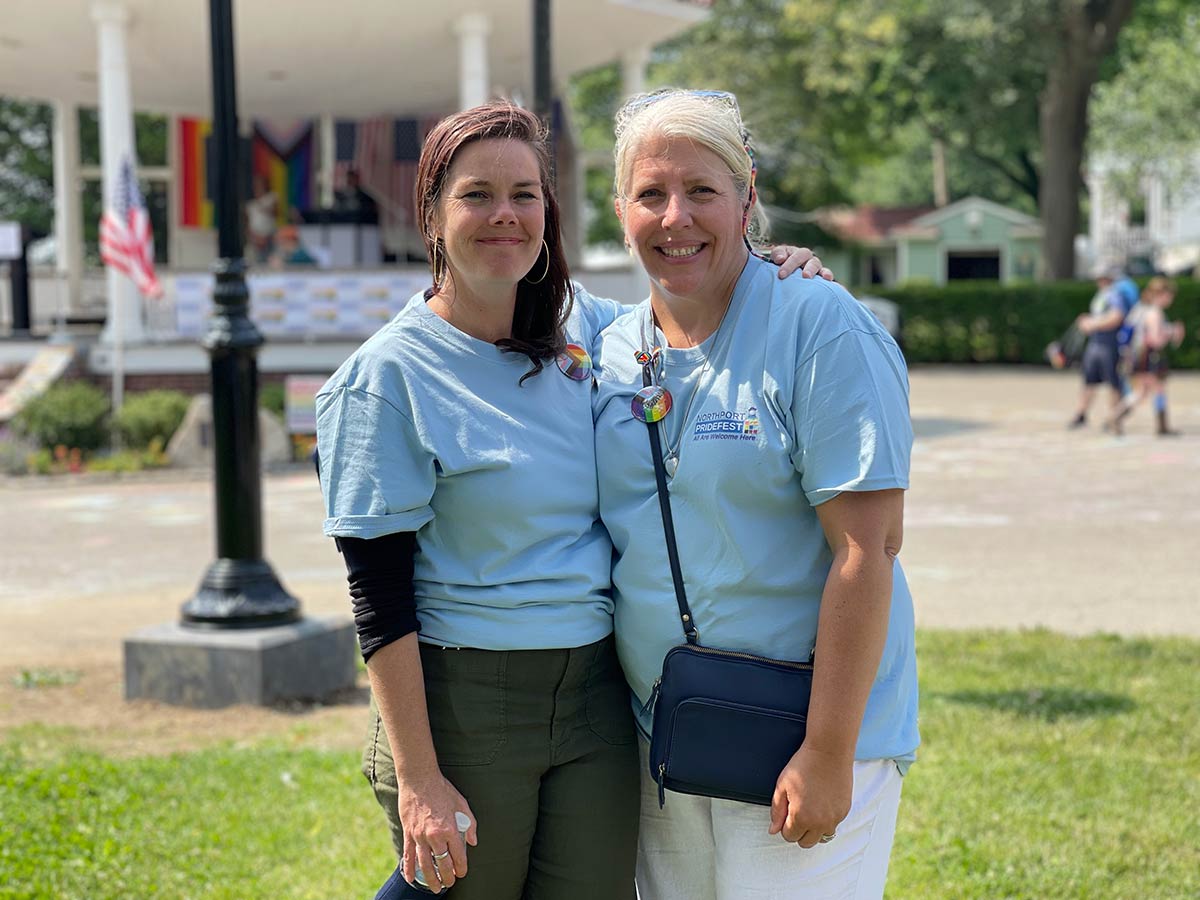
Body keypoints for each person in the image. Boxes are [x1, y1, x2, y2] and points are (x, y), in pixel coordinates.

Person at [315, 100, 827, 900]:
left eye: (525, 194)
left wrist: (770, 268)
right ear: (431, 212)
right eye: (476, 194)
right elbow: (377, 601)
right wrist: (419, 780)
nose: (504, 215)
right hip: (464, 703)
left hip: (596, 698)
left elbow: (691, 294)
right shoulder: (386, 379)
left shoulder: (587, 329)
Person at [592, 89, 918, 900]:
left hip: (797, 738)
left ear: (748, 195)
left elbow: (865, 549)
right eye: (650, 195)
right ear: (621, 209)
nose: (676, 218)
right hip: (664, 737)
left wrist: (829, 750)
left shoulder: (819, 327)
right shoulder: (606, 349)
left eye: (702, 190)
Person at [1109, 276, 1186, 436]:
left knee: (1146, 391)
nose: (1170, 299)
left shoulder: (1145, 309)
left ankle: (1118, 417)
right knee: (1151, 390)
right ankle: (1120, 418)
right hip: (1147, 356)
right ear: (1161, 294)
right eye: (1169, 295)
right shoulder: (1154, 313)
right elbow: (1155, 340)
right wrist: (1172, 333)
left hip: (1142, 356)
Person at [1069, 265, 1134, 432]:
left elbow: (1117, 317)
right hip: (1096, 343)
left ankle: (1114, 416)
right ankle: (1081, 413)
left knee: (1113, 382)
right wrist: (1088, 320)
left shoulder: (1115, 295)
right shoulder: (1101, 295)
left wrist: (1093, 324)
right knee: (1089, 380)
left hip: (1109, 343)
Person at [246, 174, 278, 263]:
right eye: (256, 184)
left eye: (260, 184)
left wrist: (264, 208)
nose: (258, 186)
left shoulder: (271, 197)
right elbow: (247, 221)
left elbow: (276, 213)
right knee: (259, 259)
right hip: (255, 235)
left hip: (269, 234)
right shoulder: (250, 202)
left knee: (270, 257)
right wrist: (253, 236)